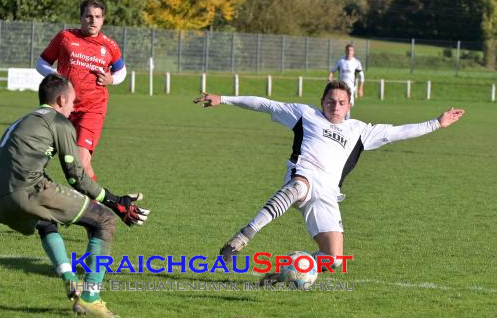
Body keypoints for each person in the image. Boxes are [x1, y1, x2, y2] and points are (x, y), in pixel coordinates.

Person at [193, 81, 464, 274]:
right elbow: (264, 104)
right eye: (330, 101)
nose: (335, 106)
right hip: (303, 174)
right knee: (298, 187)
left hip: (328, 193)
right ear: (322, 102)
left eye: (341, 102)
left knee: (333, 259)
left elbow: (397, 132)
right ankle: (239, 240)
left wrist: (437, 123)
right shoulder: (305, 114)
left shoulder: (360, 130)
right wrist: (223, 99)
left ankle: (288, 271)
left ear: (349, 106)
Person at [0, 74, 149, 318]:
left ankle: (71, 281)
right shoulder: (58, 122)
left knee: (45, 220)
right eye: (73, 101)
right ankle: (91, 297)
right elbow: (77, 177)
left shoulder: (23, 121)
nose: (74, 107)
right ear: (61, 99)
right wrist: (114, 201)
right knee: (104, 221)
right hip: (27, 192)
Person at [36, 0, 127, 181]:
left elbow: (122, 71)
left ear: (102, 20)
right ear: (81, 18)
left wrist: (112, 79)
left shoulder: (109, 46)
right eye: (88, 16)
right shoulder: (65, 38)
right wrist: (53, 74)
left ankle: (97, 206)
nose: (93, 20)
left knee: (81, 163)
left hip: (92, 110)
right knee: (38, 157)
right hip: (61, 107)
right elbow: (41, 63)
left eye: (98, 17)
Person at [328, 44, 365, 114]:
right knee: (341, 103)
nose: (349, 52)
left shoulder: (356, 62)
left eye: (351, 50)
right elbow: (332, 71)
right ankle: (343, 119)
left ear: (353, 52)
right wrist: (330, 79)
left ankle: (346, 119)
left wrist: (360, 89)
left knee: (349, 104)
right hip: (341, 87)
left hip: (351, 87)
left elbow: (361, 76)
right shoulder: (341, 61)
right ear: (345, 51)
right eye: (348, 50)